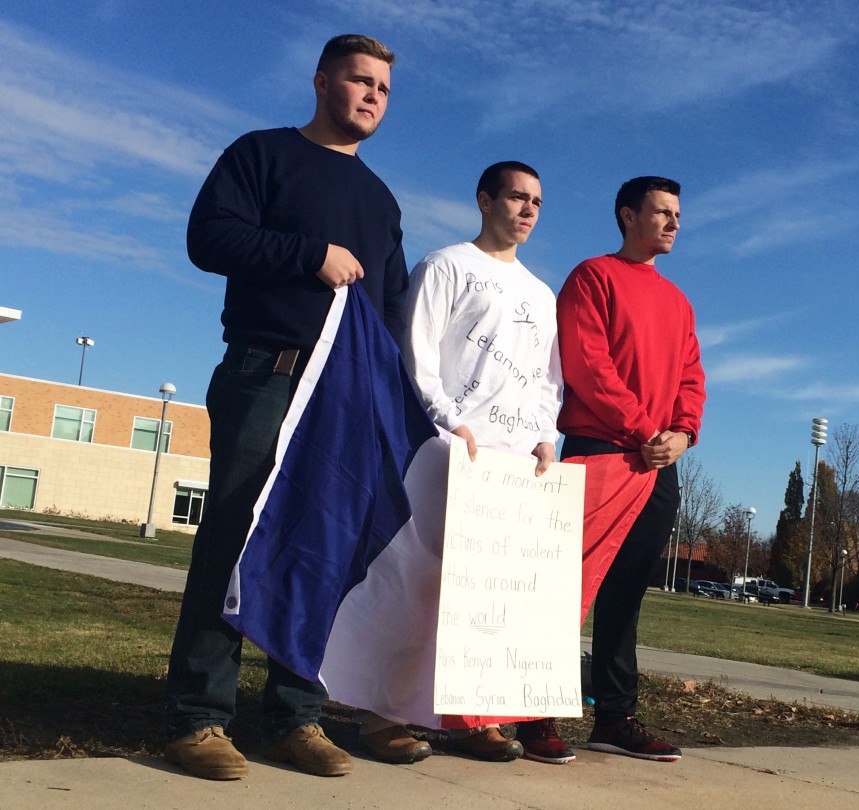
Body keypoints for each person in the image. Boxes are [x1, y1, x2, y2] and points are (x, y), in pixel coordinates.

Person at [164, 34, 407, 781]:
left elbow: (391, 308)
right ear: (321, 81)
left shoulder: (381, 199)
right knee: (235, 538)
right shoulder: (261, 154)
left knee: (324, 553)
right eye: (359, 81)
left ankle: (296, 717)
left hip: (344, 400)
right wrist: (310, 254)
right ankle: (200, 719)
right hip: (266, 375)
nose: (372, 96)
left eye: (383, 89)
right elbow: (210, 237)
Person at [354, 161, 564, 765]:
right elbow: (414, 353)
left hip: (510, 465)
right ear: (484, 200)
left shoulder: (539, 293)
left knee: (491, 599)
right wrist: (447, 419)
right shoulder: (446, 266)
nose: (527, 211)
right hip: (446, 448)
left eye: (537, 203)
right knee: (417, 584)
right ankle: (381, 717)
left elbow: (548, 382)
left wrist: (545, 436)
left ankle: (477, 718)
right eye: (517, 198)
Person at [555, 176, 705, 762]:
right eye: (661, 212)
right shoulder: (592, 277)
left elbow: (691, 375)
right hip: (599, 450)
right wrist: (644, 429)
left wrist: (683, 434)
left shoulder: (678, 301)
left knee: (625, 595)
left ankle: (614, 718)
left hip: (657, 465)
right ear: (627, 216)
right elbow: (587, 363)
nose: (673, 223)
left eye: (677, 214)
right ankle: (534, 711)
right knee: (566, 587)